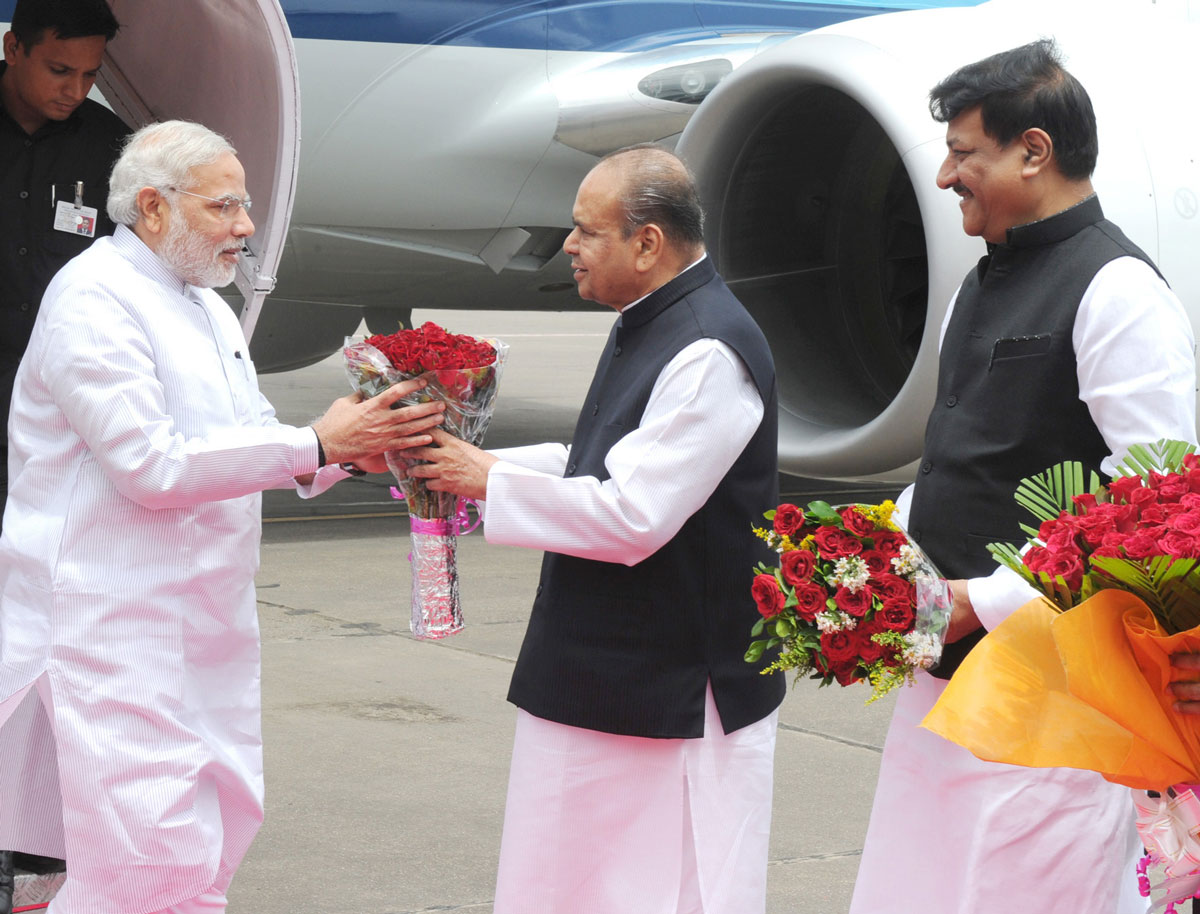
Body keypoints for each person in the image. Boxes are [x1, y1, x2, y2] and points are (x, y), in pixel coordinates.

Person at [0, 119, 446, 914]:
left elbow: (250, 431)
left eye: (245, 206)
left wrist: (348, 454)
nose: (246, 226)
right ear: (153, 207)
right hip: (111, 629)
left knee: (210, 838)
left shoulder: (203, 304)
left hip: (204, 625)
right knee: (150, 860)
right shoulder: (93, 299)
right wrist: (317, 442)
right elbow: (151, 465)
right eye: (224, 206)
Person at [849, 39, 1197, 913]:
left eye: (963, 153)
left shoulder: (1118, 289)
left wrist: (989, 599)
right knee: (920, 887)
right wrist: (876, 552)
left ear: (1033, 151)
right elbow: (964, 455)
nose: (944, 177)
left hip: (1052, 697)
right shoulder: (978, 284)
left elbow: (1155, 508)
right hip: (945, 675)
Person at [406, 144, 785, 913]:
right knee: (566, 879)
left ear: (647, 244)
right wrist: (461, 462)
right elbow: (596, 460)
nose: (569, 246)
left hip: (669, 687)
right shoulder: (652, 319)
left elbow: (632, 514)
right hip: (606, 669)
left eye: (586, 231)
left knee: (648, 888)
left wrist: (486, 480)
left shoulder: (708, 349)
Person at [0, 2, 127, 904]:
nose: (74, 91)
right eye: (57, 70)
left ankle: (32, 832)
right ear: (12, 47)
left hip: (52, 436)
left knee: (42, 627)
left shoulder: (110, 151)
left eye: (88, 75)